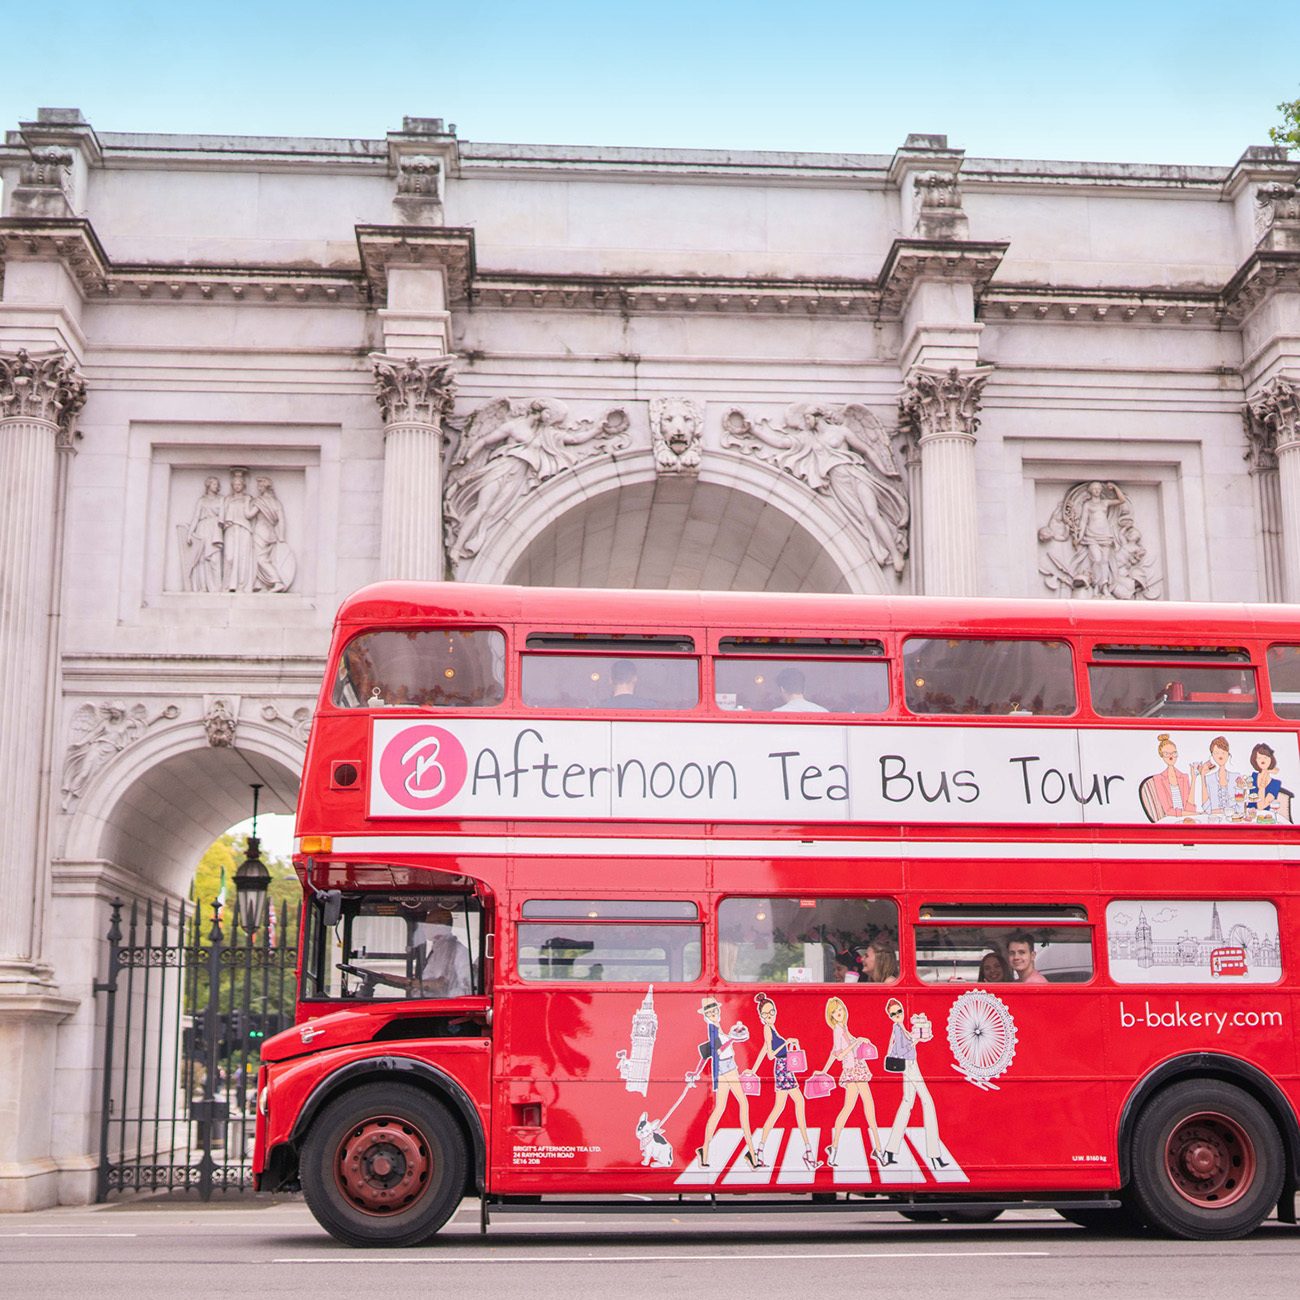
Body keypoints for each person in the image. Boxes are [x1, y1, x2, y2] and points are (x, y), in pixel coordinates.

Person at [750, 994, 820, 1170]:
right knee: (795, 1104)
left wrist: (753, 1070)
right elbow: (771, 1054)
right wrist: (786, 1043)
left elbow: (763, 1050)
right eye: (766, 1014)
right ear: (761, 1017)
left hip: (783, 1069)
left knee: (779, 1108)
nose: (770, 1015)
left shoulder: (772, 1029)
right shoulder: (768, 1029)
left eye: (772, 1012)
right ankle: (808, 1152)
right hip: (782, 1069)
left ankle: (760, 1151)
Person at [693, 998, 760, 1168]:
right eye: (710, 1013)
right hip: (726, 1068)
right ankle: (751, 1153)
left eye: (715, 1011)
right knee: (739, 1105)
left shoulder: (718, 1028)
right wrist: (732, 1038)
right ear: (706, 1016)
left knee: (723, 1108)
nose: (714, 1014)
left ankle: (706, 1151)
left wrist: (731, 1036)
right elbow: (718, 1050)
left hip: (729, 1065)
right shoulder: (712, 1029)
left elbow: (710, 1052)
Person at [880, 999, 946, 1170]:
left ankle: (890, 1150)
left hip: (910, 1063)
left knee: (907, 1103)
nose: (897, 1016)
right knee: (927, 1101)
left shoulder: (900, 1027)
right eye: (893, 1014)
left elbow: (908, 1043)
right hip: (908, 1064)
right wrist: (916, 1039)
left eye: (899, 1012)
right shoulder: (897, 1028)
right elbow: (902, 1049)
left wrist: (918, 1038)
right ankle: (935, 1155)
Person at [820, 996, 881, 1167]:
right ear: (831, 1016)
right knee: (868, 1105)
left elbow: (834, 1051)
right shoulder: (838, 1030)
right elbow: (839, 1054)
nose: (839, 1013)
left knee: (848, 1108)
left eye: (840, 1010)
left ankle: (834, 1147)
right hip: (854, 1070)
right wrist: (856, 1043)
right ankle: (877, 1147)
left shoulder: (843, 1027)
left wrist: (860, 1040)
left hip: (856, 1068)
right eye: (835, 1012)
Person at [407, 902, 473, 997]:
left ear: (439, 925)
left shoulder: (459, 951)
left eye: (427, 924)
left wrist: (443, 994)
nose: (424, 928)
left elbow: (468, 989)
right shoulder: (437, 950)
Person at [1195, 736, 1244, 818]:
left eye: (1223, 752)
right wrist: (1202, 776)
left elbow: (1240, 808)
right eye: (1216, 753)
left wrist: (1218, 811)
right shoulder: (1208, 778)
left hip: (1234, 819)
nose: (1220, 755)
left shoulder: (1236, 777)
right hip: (1214, 820)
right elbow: (1206, 808)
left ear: (1228, 755)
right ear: (1212, 756)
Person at [1148, 734, 1192, 819]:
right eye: (1166, 754)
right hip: (1170, 820)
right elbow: (1168, 811)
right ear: (1162, 756)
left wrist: (1194, 779)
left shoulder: (1184, 777)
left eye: (1174, 753)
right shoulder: (1158, 779)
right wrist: (1191, 814)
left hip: (1186, 818)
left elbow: (1189, 807)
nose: (1171, 756)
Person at [1247, 742, 1283, 816]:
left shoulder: (1276, 783)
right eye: (1259, 758)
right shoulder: (1253, 776)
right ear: (1255, 760)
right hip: (1249, 817)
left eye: (1265, 757)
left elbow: (1261, 807)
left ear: (1271, 759)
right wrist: (1268, 771)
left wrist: (1262, 788)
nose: (1262, 760)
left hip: (1265, 818)